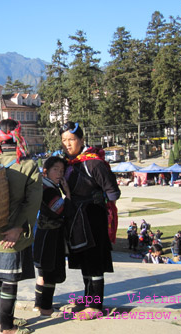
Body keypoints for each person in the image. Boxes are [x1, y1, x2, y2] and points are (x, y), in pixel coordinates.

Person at [0, 119, 42, 334]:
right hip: (13, 233)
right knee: (8, 282)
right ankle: (7, 327)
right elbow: (33, 202)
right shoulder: (28, 165)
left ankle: (2, 321)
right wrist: (18, 227)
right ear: (19, 136)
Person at [59, 121, 120, 320]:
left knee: (94, 262)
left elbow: (113, 192)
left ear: (81, 139)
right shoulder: (69, 163)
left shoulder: (93, 163)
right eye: (64, 140)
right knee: (85, 261)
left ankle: (95, 305)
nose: (67, 144)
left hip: (93, 219)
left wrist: (95, 202)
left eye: (71, 139)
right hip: (77, 219)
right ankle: (87, 300)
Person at [33, 156, 71, 317]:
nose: (60, 173)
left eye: (62, 171)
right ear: (46, 171)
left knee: (43, 272)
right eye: (56, 169)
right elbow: (61, 210)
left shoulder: (44, 185)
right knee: (50, 273)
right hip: (50, 237)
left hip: (43, 235)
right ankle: (46, 308)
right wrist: (68, 194)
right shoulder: (48, 190)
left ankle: (38, 304)